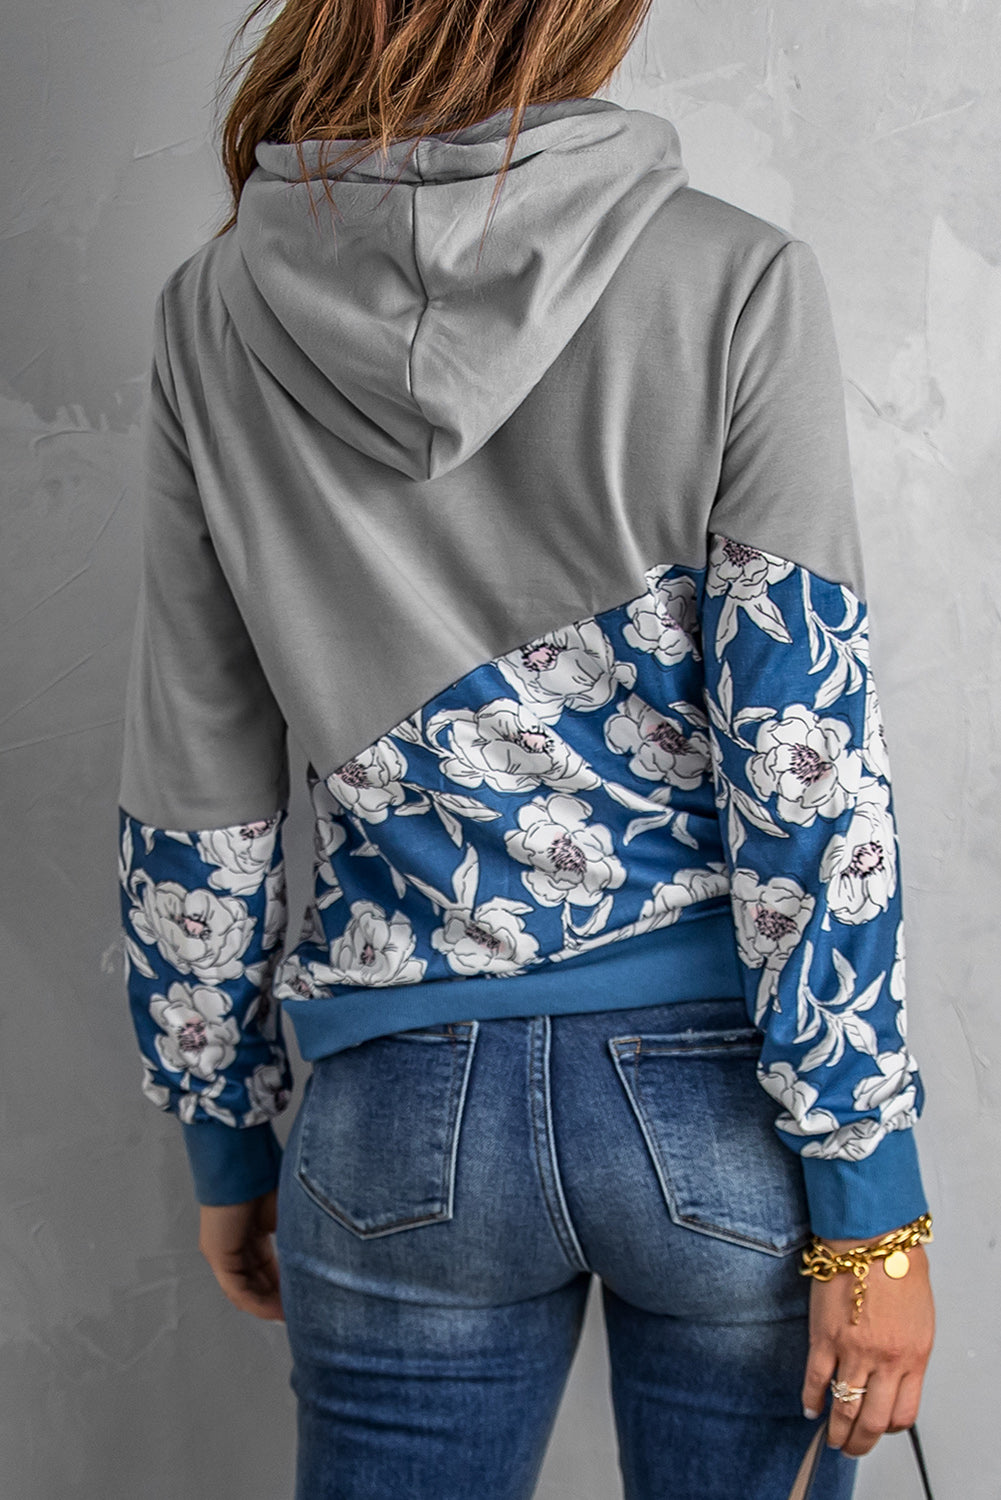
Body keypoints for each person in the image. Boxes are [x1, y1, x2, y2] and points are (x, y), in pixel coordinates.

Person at [116, 1, 935, 1495]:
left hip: (391, 1113)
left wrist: (225, 1133)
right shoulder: (734, 277)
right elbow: (803, 764)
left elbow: (198, 770)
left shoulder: (211, 309)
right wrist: (870, 1200)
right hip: (720, 1112)